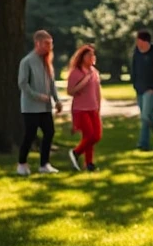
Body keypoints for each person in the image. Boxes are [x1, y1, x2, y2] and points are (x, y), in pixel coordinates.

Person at [17, 30, 63, 176]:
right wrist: (38, 96)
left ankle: (44, 164)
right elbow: (23, 84)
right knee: (30, 135)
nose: (50, 47)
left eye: (51, 44)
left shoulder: (46, 62)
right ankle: (22, 164)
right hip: (30, 108)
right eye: (46, 43)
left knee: (49, 132)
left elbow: (52, 83)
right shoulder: (27, 61)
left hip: (45, 107)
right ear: (37, 43)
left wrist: (57, 100)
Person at [66, 44, 102, 172]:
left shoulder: (95, 72)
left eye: (93, 55)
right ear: (82, 57)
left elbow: (97, 91)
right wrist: (84, 81)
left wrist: (98, 106)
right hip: (80, 109)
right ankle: (83, 159)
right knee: (89, 135)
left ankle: (82, 158)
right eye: (89, 55)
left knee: (96, 136)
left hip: (93, 109)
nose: (92, 57)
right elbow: (70, 91)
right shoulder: (76, 72)